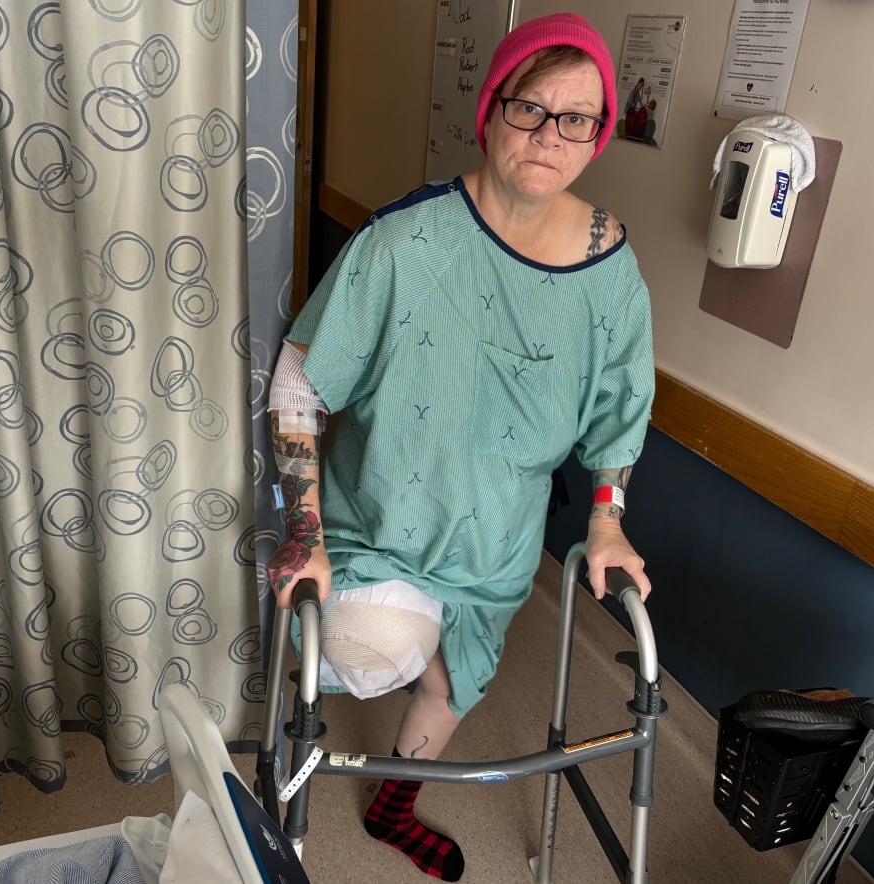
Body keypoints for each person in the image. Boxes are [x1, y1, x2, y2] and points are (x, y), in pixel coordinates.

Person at [265, 13, 654, 881]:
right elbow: (300, 383)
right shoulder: (407, 242)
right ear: (490, 110)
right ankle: (297, 768)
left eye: (577, 118)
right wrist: (306, 530)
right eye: (529, 107)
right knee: (376, 651)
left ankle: (393, 801)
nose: (549, 135)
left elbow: (620, 410)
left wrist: (607, 520)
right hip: (388, 521)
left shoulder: (610, 269)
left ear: (598, 137)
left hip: (499, 542)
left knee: (455, 682)